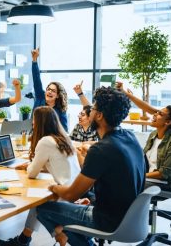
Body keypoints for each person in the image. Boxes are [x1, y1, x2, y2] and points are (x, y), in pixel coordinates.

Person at [35, 86, 145, 246]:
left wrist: (53, 188)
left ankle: (77, 240)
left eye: (92, 109)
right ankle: (68, 234)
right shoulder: (130, 137)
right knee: (72, 210)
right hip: (131, 217)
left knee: (44, 208)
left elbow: (70, 195)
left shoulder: (101, 150)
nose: (89, 112)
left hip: (109, 220)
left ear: (99, 115)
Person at [0, 106, 81, 246]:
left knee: (39, 201)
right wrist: (35, 165)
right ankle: (24, 240)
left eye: (34, 120)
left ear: (41, 122)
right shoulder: (64, 138)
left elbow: (32, 173)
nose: (32, 123)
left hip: (64, 195)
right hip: (75, 191)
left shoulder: (46, 141)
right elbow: (58, 165)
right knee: (40, 198)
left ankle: (57, 234)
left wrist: (30, 166)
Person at [117, 82, 171, 191]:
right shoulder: (153, 135)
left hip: (164, 183)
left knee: (124, 185)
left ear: (168, 122)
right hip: (149, 177)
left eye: (159, 114)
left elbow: (164, 173)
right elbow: (143, 161)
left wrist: (140, 176)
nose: (154, 114)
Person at [31, 48, 68, 132]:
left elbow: (65, 130)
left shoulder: (60, 111)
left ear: (58, 95)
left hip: (52, 139)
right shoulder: (40, 97)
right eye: (48, 89)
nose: (49, 92)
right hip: (35, 135)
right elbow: (36, 79)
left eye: (53, 91)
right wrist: (34, 60)